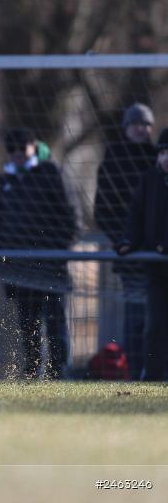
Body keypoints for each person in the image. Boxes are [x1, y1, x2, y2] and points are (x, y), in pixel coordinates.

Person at [0, 128, 77, 379]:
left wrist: (58, 252)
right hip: (20, 268)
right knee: (27, 324)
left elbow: (68, 217)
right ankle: (32, 368)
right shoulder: (4, 181)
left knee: (54, 321)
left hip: (50, 265)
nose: (18, 153)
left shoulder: (50, 173)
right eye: (13, 149)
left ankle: (58, 370)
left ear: (33, 147)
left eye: (22, 148)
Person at [94, 103, 157, 378]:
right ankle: (135, 368)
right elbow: (102, 209)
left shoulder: (158, 158)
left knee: (157, 317)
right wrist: (124, 240)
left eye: (145, 124)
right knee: (135, 317)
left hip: (158, 252)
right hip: (130, 256)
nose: (140, 129)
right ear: (126, 128)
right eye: (135, 124)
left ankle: (156, 367)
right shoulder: (114, 159)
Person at [116, 127, 168, 381]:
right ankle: (154, 375)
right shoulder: (149, 179)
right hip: (156, 269)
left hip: (161, 256)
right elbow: (136, 214)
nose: (167, 157)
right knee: (155, 326)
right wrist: (129, 241)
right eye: (163, 152)